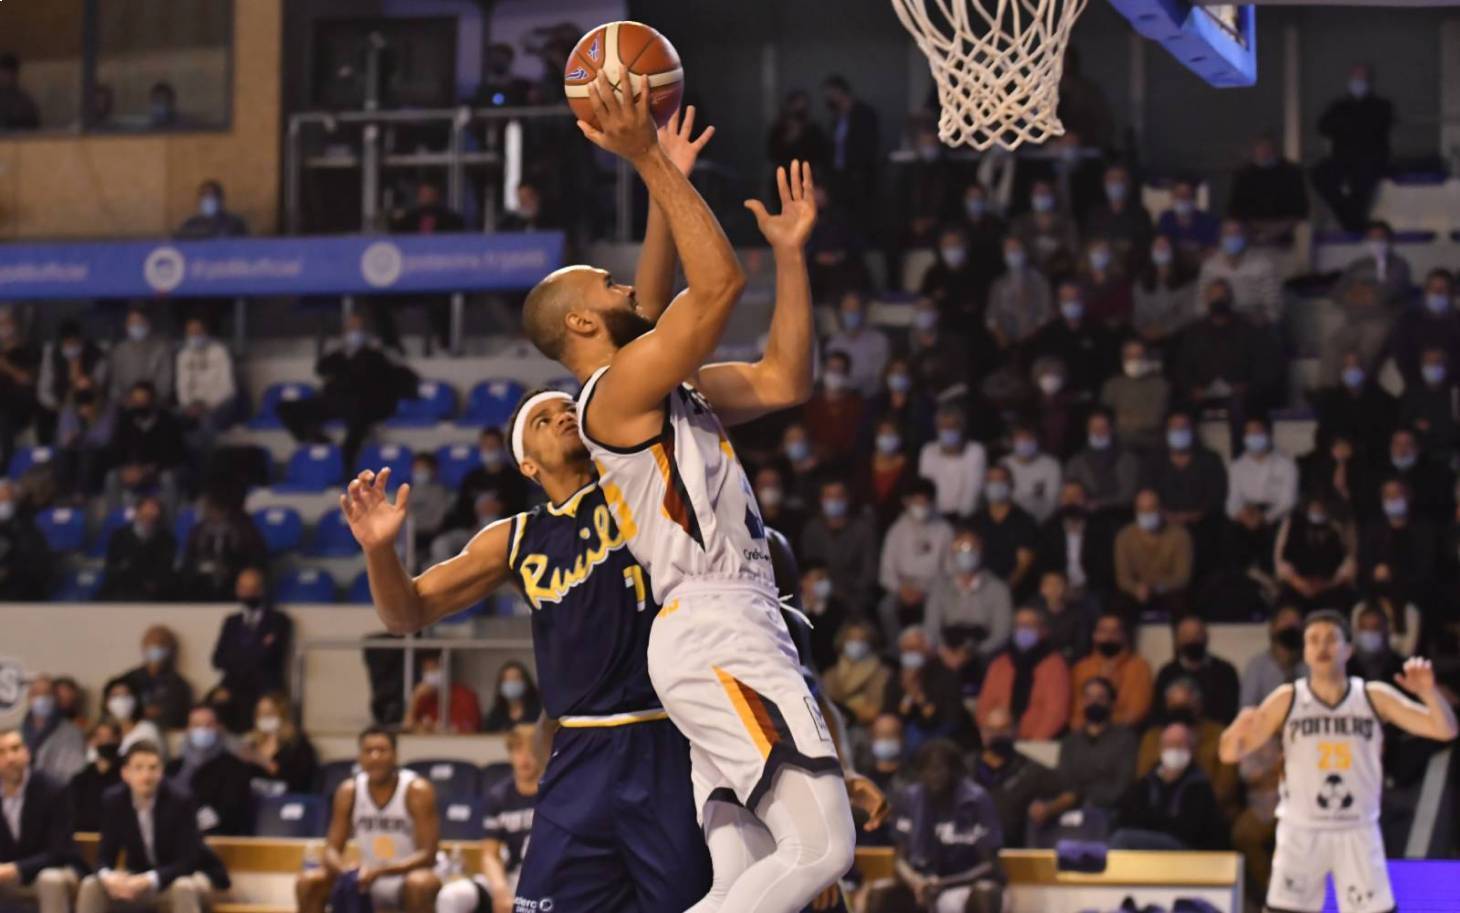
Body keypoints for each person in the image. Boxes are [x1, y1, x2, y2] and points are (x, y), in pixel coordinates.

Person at [519, 82, 851, 911]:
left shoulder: (665, 386)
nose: (628, 288)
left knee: (745, 873)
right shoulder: (612, 395)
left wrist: (791, 254)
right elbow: (713, 289)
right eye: (609, 286)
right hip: (716, 622)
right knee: (823, 846)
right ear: (583, 328)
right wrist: (646, 161)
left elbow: (785, 378)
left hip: (720, 625)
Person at [344, 337, 731, 907]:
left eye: (567, 408)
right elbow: (408, 613)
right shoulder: (517, 537)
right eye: (544, 420)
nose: (563, 416)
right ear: (526, 463)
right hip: (577, 749)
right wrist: (380, 551)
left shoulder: (639, 485)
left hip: (665, 737)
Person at [1220, 611, 1458, 913]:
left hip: (1357, 828)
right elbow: (1229, 753)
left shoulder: (1373, 696)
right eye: (1313, 640)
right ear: (1305, 651)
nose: (1322, 647)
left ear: (1349, 649)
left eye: (1331, 639)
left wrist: (1428, 692)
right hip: (1301, 829)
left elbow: (1445, 729)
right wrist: (1236, 729)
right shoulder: (1287, 699)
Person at [295, 728, 439, 913]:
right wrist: (346, 871)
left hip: (405, 876)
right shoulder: (349, 791)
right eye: (368, 751)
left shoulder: (417, 790)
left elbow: (428, 855)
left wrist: (381, 870)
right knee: (310, 881)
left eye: (382, 750)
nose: (375, 756)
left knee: (420, 884)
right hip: (365, 878)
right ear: (360, 757)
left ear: (395, 755)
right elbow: (331, 850)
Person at [78, 741, 229, 913]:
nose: (146, 775)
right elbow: (105, 855)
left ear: (161, 772)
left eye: (152, 768)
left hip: (187, 875)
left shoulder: (180, 800)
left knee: (183, 887)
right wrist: (109, 877)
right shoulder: (114, 800)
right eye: (139, 768)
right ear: (125, 773)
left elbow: (188, 860)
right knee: (91, 885)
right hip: (140, 878)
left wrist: (149, 879)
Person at [869, 741, 1003, 913]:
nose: (934, 775)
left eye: (939, 769)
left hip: (963, 886)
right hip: (921, 885)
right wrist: (915, 881)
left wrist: (944, 883)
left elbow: (990, 865)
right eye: (928, 769)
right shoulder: (910, 799)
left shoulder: (976, 799)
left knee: (986, 892)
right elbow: (899, 859)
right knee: (880, 892)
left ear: (954, 770)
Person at [277, 314, 408, 474]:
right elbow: (321, 369)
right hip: (335, 402)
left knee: (357, 426)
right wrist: (341, 353)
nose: (353, 333)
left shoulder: (375, 355)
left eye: (357, 329)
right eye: (349, 329)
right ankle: (316, 439)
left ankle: (347, 470)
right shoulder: (339, 354)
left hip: (363, 405)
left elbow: (386, 377)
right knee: (285, 408)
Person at [435, 724, 542, 913]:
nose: (525, 758)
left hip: (545, 881)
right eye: (518, 750)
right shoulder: (499, 796)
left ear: (543, 753)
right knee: (451, 896)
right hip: (509, 877)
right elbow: (489, 854)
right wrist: (501, 891)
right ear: (510, 754)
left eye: (531, 750)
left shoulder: (555, 793)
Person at [0, 728, 81, 913]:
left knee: (49, 879)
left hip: (55, 868)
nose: (10, 758)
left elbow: (59, 851)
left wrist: (13, 869)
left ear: (27, 753)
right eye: (1, 752)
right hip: (7, 874)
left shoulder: (53, 790)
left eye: (15, 749)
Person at [1111, 722, 1226, 850]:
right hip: (1150, 843)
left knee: (1122, 839)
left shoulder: (1199, 785)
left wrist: (1152, 821)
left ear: (1192, 749)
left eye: (1180, 744)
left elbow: (1189, 829)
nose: (1174, 749)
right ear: (1160, 749)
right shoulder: (1147, 782)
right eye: (1169, 744)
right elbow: (1127, 817)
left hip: (1185, 849)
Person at [1135, 678, 1239, 819]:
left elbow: (1227, 786)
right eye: (1174, 705)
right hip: (1158, 811)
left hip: (1207, 813)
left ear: (1199, 705)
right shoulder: (1152, 737)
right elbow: (1143, 778)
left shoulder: (1220, 735)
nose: (1180, 711)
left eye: (1186, 704)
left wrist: (1195, 803)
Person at [1312, 64, 1394, 232]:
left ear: (1369, 81)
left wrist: (1346, 125)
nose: (1358, 81)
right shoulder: (1339, 106)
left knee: (1362, 182)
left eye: (1362, 78)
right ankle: (1352, 222)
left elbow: (1375, 128)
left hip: (1371, 161)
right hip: (1342, 159)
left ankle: (1354, 226)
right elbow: (1323, 127)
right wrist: (1352, 124)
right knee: (1319, 174)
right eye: (1356, 77)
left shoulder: (1381, 105)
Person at [209, 568, 291, 728]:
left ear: (261, 590)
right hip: (234, 685)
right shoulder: (231, 622)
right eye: (243, 588)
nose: (247, 594)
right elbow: (218, 659)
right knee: (213, 703)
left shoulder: (278, 620)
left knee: (264, 704)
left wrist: (239, 655)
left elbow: (271, 658)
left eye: (252, 589)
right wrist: (256, 649)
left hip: (265, 686)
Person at [972, 707, 1063, 848]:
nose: (997, 735)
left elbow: (1072, 791)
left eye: (1003, 729)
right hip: (968, 849)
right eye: (991, 730)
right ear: (982, 733)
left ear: (1015, 730)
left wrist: (1049, 808)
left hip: (1009, 850)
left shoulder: (1030, 770)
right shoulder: (966, 768)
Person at [974, 607, 1071, 741]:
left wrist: (1033, 743)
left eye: (1030, 625)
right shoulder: (1000, 664)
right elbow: (984, 707)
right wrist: (992, 736)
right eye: (1019, 625)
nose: (1023, 629)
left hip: (1036, 743)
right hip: (998, 740)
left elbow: (1056, 712)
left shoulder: (1054, 665)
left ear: (1043, 630)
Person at [878, 480, 954, 642]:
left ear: (933, 503)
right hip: (903, 586)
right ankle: (897, 649)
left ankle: (928, 646)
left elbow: (949, 569)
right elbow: (887, 569)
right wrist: (901, 589)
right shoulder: (897, 529)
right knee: (886, 608)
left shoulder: (945, 530)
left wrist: (927, 590)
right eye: (916, 502)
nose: (921, 507)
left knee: (936, 608)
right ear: (907, 502)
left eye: (925, 502)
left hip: (932, 587)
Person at [1053, 676, 1139, 813]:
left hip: (1108, 810)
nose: (1094, 703)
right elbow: (1064, 782)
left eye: (1100, 698)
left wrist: (1085, 798)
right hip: (1070, 808)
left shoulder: (1126, 740)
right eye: (1089, 697)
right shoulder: (1070, 742)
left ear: (1111, 703)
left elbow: (1122, 786)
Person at [164, 705, 253, 836]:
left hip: (213, 838)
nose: (203, 730)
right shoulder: (173, 767)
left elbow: (229, 812)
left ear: (218, 728)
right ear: (188, 729)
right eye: (197, 725)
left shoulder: (234, 768)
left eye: (209, 724)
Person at [925, 529, 1012, 660]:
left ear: (981, 551)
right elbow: (931, 627)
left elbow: (1002, 633)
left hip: (982, 649)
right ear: (953, 551)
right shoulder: (940, 586)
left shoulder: (998, 588)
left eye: (972, 548)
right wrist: (944, 652)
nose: (967, 553)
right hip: (947, 646)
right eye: (962, 548)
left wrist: (975, 652)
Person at [884, 627, 974, 753]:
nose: (910, 654)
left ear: (928, 649)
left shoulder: (946, 677)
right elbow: (890, 713)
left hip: (940, 734)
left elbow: (949, 719)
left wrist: (917, 695)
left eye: (915, 649)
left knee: (915, 734)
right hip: (904, 733)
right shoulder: (895, 679)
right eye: (906, 650)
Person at [1028, 279, 1121, 399]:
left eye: (1075, 298)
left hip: (1092, 395)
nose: (1071, 303)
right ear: (1058, 302)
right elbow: (1041, 366)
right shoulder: (1048, 333)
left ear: (1083, 300)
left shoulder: (1099, 331)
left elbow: (1108, 366)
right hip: (1059, 397)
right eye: (1066, 299)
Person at [103, 381, 185, 516]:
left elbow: (174, 454)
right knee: (112, 477)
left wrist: (148, 470)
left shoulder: (166, 420)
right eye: (136, 400)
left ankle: (170, 526)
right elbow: (115, 451)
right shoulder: (125, 420)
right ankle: (115, 522)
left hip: (158, 470)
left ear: (152, 400)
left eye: (144, 400)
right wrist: (125, 469)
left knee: (169, 478)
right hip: (133, 469)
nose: (139, 405)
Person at [1113, 488, 1193, 617]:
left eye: (1151, 509)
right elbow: (1123, 577)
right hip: (1137, 592)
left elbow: (1182, 576)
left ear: (1160, 509)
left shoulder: (1180, 536)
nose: (1146, 514)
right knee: (1120, 605)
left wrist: (1156, 588)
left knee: (1180, 603)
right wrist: (1136, 589)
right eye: (1142, 510)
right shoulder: (1124, 537)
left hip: (1168, 591)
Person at [179, 494, 269, 602]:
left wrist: (231, 569)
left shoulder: (244, 529)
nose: (212, 513)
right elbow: (189, 558)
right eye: (208, 509)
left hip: (233, 577)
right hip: (202, 580)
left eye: (215, 509)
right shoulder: (197, 531)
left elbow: (255, 558)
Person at [1071, 612, 1153, 728]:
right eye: (1103, 631)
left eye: (1115, 632)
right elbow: (1076, 713)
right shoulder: (1081, 668)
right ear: (1094, 635)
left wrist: (1107, 729)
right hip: (1085, 736)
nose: (1109, 636)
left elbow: (1137, 710)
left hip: (1124, 734)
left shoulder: (1139, 666)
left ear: (1124, 635)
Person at [1154, 617, 1240, 724]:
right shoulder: (1166, 673)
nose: (1192, 640)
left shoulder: (1225, 672)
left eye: (1197, 635)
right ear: (1177, 640)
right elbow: (1158, 713)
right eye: (1186, 636)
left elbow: (1230, 713)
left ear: (1206, 637)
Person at [1226, 134, 1309, 244]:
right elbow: (1234, 209)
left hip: (1286, 231)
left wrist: (1281, 226)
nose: (1265, 150)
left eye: (1268, 146)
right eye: (1261, 146)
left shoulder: (1291, 173)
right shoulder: (1243, 175)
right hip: (1250, 232)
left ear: (1275, 148)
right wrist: (1258, 226)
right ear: (1254, 149)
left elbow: (1301, 208)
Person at [1196, 221, 1281, 325]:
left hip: (1255, 325)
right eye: (1228, 234)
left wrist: (1260, 319)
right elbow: (1201, 306)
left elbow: (1274, 309)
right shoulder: (1209, 267)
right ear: (1220, 238)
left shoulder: (1264, 265)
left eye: (1237, 233)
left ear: (1245, 236)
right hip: (1219, 324)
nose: (1232, 238)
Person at [821, 74, 880, 227]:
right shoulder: (836, 120)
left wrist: (860, 171)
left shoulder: (864, 115)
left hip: (858, 177)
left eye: (831, 95)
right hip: (839, 177)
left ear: (840, 92)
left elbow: (868, 147)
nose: (829, 100)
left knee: (859, 218)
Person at [109, 627, 193, 731]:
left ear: (170, 649)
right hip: (127, 730)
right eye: (151, 643)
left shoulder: (179, 685)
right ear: (143, 646)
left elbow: (178, 717)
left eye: (162, 643)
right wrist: (142, 712)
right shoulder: (128, 679)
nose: (156, 647)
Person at [174, 318, 238, 455]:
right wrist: (189, 405)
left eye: (198, 331)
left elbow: (227, 388)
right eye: (191, 332)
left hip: (219, 404)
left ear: (205, 332)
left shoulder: (220, 352)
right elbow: (181, 387)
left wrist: (206, 405)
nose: (195, 335)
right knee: (171, 418)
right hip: (192, 406)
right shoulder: (183, 355)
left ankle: (207, 464)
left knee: (206, 420)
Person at [1390, 269, 1460, 391]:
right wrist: (1423, 360)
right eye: (1433, 289)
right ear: (1425, 291)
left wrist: (1444, 360)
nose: (1437, 293)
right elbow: (1400, 353)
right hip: (1416, 386)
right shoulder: (1408, 319)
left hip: (1453, 387)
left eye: (1443, 289)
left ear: (1451, 293)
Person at [99, 496, 178, 602]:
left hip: (153, 593)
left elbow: (165, 567)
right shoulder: (119, 536)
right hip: (123, 590)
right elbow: (112, 565)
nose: (150, 513)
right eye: (147, 508)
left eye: (154, 508)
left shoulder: (166, 539)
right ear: (137, 511)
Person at [239, 693, 317, 795]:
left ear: (282, 715)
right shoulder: (251, 743)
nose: (264, 717)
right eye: (260, 713)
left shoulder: (297, 743)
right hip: (254, 801)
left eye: (269, 713)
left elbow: (302, 780)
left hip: (286, 800)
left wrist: (267, 764)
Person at [985, 237, 1054, 352]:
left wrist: (1033, 335)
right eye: (1009, 250)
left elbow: (1046, 314)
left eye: (1016, 249)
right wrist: (1001, 336)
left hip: (1035, 342)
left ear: (1025, 252)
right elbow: (991, 318)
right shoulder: (999, 284)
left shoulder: (1040, 281)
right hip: (1007, 343)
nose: (1013, 254)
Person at [1064, 408, 1139, 511]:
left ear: (1111, 429)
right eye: (1094, 428)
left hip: (1119, 514)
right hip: (1085, 515)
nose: (1098, 433)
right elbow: (1070, 494)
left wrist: (1099, 504)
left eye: (1103, 428)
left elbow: (1128, 495)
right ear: (1087, 430)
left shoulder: (1128, 460)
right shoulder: (1076, 462)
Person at [919, 406, 987, 520]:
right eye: (943, 427)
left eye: (952, 426)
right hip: (934, 516)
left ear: (961, 427)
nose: (948, 430)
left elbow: (972, 491)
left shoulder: (975, 451)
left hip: (965, 517)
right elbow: (926, 487)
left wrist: (960, 518)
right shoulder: (928, 451)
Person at [1132, 237, 1198, 346]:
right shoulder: (1140, 283)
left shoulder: (1187, 281)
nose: (1161, 250)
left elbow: (1187, 315)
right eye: (1157, 247)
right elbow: (1138, 314)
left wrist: (1164, 329)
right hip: (1146, 335)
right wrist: (1144, 330)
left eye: (1164, 247)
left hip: (1177, 336)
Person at [20, 676, 86, 784]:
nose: (41, 698)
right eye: (36, 693)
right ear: (29, 697)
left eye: (46, 693)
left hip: (55, 794)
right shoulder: (17, 733)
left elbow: (72, 772)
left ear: (55, 698)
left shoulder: (72, 732)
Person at [823, 622, 889, 728]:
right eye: (851, 639)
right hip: (834, 728)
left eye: (862, 639)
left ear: (870, 642)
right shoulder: (830, 674)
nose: (856, 643)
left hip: (866, 729)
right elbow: (825, 707)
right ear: (843, 641)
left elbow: (873, 710)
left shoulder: (881, 672)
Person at [824, 292, 890, 397]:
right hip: (841, 399)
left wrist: (852, 386)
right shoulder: (833, 343)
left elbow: (879, 378)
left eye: (855, 308)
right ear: (840, 313)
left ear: (863, 311)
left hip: (870, 399)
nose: (851, 312)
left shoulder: (879, 340)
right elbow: (830, 376)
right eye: (847, 309)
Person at [1010, 182, 1080, 280]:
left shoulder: (1067, 224)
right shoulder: (1020, 224)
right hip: (1028, 278)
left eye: (1045, 192)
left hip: (1060, 277)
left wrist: (1053, 270)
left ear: (1053, 196)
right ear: (1031, 196)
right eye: (1037, 193)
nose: (1041, 196)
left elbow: (1072, 252)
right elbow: (1013, 249)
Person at [803, 352, 865, 462]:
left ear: (846, 374)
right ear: (823, 371)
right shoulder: (811, 404)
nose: (834, 373)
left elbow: (855, 437)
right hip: (815, 459)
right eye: (831, 368)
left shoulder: (856, 403)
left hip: (848, 459)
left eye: (839, 369)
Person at [0, 308, 40, 474]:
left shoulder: (27, 351)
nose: (4, 328)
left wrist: (5, 365)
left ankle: (5, 472)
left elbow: (26, 379)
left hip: (20, 409)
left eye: (6, 323)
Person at [1083, 164, 1152, 260]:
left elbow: (1145, 246)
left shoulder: (1141, 214)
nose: (1115, 183)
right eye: (1111, 179)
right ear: (1104, 184)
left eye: (1120, 179)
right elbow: (1090, 242)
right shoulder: (1095, 214)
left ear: (1128, 184)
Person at [404, 651, 481, 734]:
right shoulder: (422, 697)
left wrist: (436, 730)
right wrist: (415, 698)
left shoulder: (465, 696)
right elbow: (407, 726)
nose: (430, 674)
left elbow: (469, 731)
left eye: (434, 668)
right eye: (426, 669)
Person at [0, 479, 51, 601]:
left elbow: (35, 565)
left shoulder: (26, 529)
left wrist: (8, 571)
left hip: (20, 595)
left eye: (5, 499)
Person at [1001, 423, 1062, 523]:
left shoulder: (1051, 465)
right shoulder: (1003, 464)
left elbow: (1053, 501)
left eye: (1029, 438)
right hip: (1008, 522)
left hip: (1041, 522)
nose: (1025, 442)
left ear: (1037, 441)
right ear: (1013, 441)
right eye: (1020, 439)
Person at [68, 721, 123, 833]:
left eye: (110, 737)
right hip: (85, 838)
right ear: (92, 741)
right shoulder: (81, 779)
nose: (104, 742)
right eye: (100, 736)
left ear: (119, 740)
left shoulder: (126, 776)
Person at [1155, 179, 1220, 267]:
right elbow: (1161, 242)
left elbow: (1213, 249)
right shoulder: (1166, 217)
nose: (1182, 198)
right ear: (1172, 196)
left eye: (1187, 195)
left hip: (1201, 264)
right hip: (1173, 265)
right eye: (1179, 194)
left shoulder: (1209, 220)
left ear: (1194, 197)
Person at [767, 89, 830, 177]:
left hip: (807, 178)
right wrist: (789, 138)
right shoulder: (780, 129)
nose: (799, 111)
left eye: (802, 108)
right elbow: (772, 154)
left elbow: (820, 155)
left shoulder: (813, 129)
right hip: (784, 178)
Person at [101, 681, 165, 763]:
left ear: (135, 700)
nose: (121, 700)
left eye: (126, 695)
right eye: (115, 695)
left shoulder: (147, 730)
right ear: (106, 703)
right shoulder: (103, 731)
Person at [174, 181, 249, 239]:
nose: (207, 199)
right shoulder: (191, 224)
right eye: (204, 195)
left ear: (220, 199)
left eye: (211, 195)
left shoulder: (234, 223)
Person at [480, 662, 541, 733]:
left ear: (525, 682)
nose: (511, 683)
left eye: (516, 678)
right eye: (507, 679)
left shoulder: (539, 712)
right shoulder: (495, 716)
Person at [0, 54, 40, 130]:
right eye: (3, 73)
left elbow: (34, 128)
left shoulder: (25, 102)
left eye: (9, 73)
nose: (5, 77)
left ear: (15, 74)